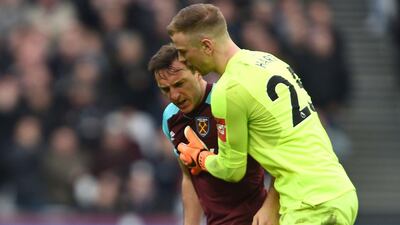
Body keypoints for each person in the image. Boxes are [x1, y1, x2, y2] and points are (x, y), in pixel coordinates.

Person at [167, 3, 358, 225]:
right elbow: (291, 145)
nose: (181, 61)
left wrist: (201, 157)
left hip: (307, 205)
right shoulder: (270, 62)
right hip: (339, 194)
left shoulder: (229, 90)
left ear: (207, 46)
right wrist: (271, 202)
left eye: (183, 52)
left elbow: (232, 170)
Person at [148, 44, 279, 225]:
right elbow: (189, 176)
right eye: (166, 89)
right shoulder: (170, 118)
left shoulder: (230, 101)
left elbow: (279, 164)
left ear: (197, 71)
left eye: (179, 84)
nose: (174, 95)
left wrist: (270, 207)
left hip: (256, 219)